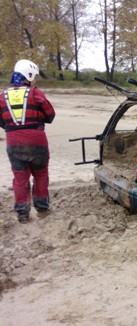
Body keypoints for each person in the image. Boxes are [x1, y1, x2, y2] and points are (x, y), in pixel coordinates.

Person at [0, 59, 56, 223]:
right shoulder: (35, 93)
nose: (35, 80)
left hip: (13, 141)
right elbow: (50, 115)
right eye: (34, 77)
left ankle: (22, 213)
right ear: (28, 75)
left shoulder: (2, 95)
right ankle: (42, 208)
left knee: (20, 178)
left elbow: (1, 121)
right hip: (37, 141)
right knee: (40, 174)